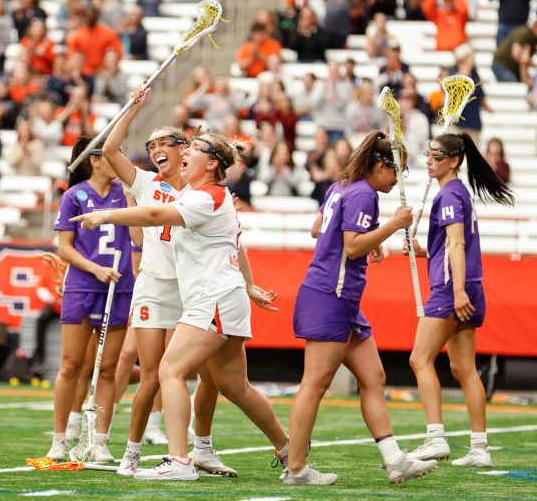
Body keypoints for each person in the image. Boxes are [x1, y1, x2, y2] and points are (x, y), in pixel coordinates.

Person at [72, 130, 290, 481]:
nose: (185, 152)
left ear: (211, 163)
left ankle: (179, 460)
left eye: (193, 148)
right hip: (219, 296)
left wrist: (106, 216)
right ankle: (291, 452)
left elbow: (156, 217)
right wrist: (248, 285)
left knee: (169, 371)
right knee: (236, 387)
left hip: (211, 297)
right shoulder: (208, 196)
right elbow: (232, 242)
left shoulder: (204, 198)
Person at [100, 86, 240, 477]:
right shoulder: (146, 182)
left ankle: (202, 447)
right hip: (155, 287)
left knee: (209, 375)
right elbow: (111, 152)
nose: (156, 148)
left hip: (192, 289)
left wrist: (249, 282)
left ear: (185, 149)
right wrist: (131, 108)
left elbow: (233, 239)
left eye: (165, 142)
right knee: (152, 374)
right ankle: (131, 452)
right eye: (151, 144)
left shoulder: (200, 189)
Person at [285, 131, 438, 485]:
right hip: (331, 295)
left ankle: (394, 460)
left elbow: (317, 229)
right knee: (315, 383)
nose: (397, 179)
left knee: (374, 377)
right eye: (395, 171)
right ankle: (296, 468)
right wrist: (392, 227)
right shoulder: (364, 194)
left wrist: (370, 238)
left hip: (339, 296)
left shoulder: (340, 186)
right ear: (379, 165)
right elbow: (351, 247)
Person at [406, 133, 514, 468]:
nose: (429, 161)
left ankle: (435, 438)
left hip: (452, 287)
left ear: (454, 161)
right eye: (428, 155)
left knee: (419, 359)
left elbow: (457, 245)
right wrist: (424, 252)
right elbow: (448, 245)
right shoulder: (456, 192)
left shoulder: (451, 194)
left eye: (437, 157)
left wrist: (456, 291)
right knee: (463, 367)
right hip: (466, 283)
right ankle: (480, 448)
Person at [46, 137, 134, 463]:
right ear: (95, 159)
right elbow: (64, 247)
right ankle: (58, 440)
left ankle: (100, 441)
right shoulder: (74, 196)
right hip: (83, 287)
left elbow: (139, 234)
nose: (119, 158)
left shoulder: (126, 194)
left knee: (108, 369)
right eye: (113, 153)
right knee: (71, 365)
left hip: (119, 287)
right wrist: (95, 269)